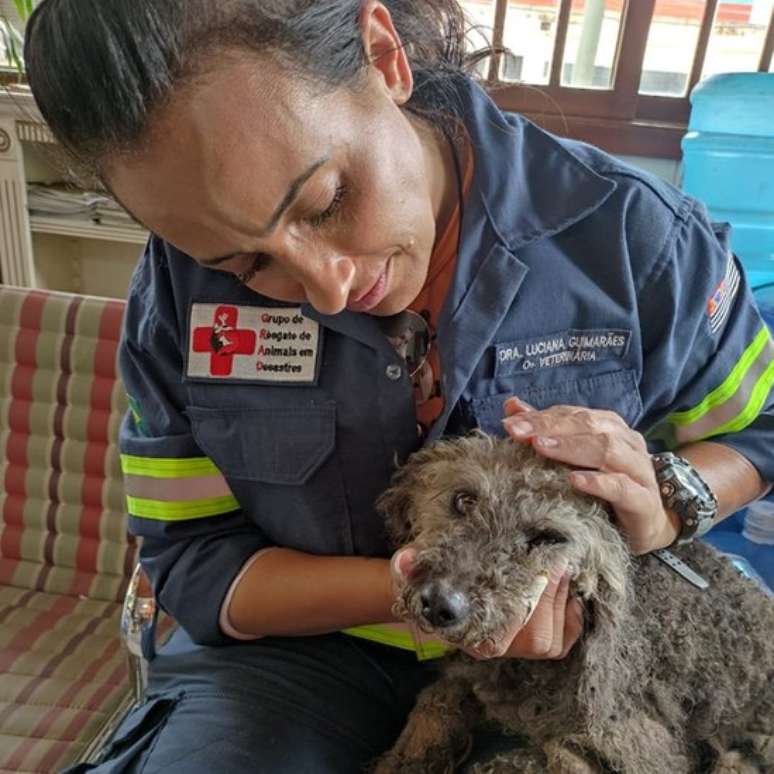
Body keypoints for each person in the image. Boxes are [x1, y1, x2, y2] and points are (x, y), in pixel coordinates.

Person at [23, 1, 773, 771]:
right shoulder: (179, 294)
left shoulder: (634, 238)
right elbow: (196, 561)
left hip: (573, 665)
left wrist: (673, 499)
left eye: (326, 202)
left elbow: (763, 430)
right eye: (246, 266)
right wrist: (419, 591)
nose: (327, 288)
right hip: (301, 663)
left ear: (384, 58)